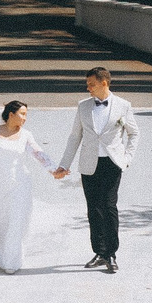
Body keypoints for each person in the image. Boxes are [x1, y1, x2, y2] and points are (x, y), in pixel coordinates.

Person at [0, 99, 65, 273]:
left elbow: (39, 154)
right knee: (3, 220)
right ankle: (5, 250)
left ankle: (10, 261)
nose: (25, 118)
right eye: (22, 114)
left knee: (18, 219)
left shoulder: (26, 135)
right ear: (11, 114)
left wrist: (54, 170)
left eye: (26, 115)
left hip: (20, 182)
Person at [55, 64, 137, 274]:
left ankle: (111, 253)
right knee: (94, 209)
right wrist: (64, 164)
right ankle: (99, 252)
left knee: (109, 206)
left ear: (104, 83)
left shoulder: (123, 105)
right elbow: (75, 137)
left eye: (91, 84)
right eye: (87, 84)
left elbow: (134, 133)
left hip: (112, 163)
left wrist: (127, 158)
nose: (88, 88)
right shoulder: (83, 106)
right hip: (89, 164)